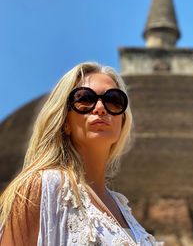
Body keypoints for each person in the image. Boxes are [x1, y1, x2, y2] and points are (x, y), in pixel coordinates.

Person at [0, 62, 158, 245]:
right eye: (84, 99)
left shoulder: (122, 208)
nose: (100, 108)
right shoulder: (44, 186)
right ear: (65, 121)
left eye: (114, 100)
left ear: (122, 122)